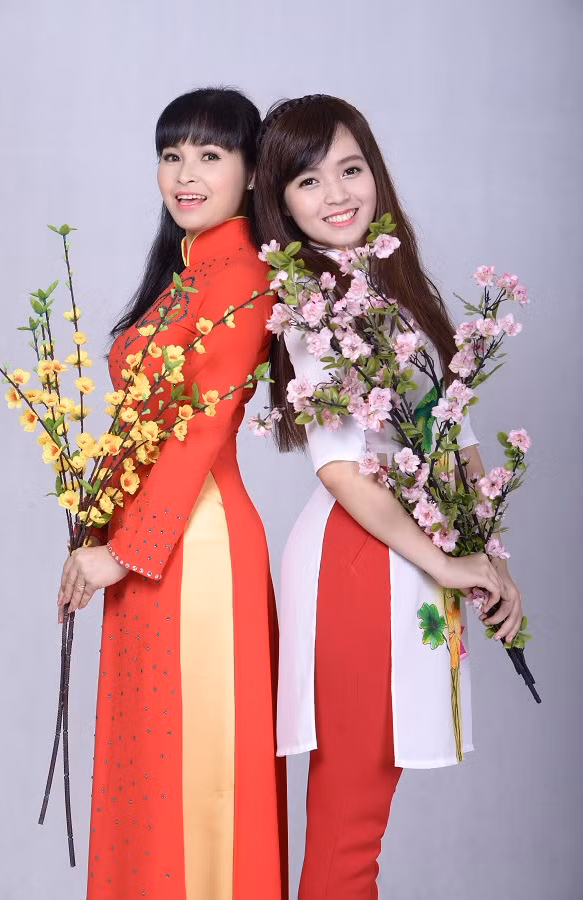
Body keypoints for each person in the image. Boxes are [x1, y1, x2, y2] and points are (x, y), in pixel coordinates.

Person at [251, 94, 522, 899]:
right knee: (349, 831)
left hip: (407, 556)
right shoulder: (313, 306)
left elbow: (454, 434)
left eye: (351, 168)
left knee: (358, 829)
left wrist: (490, 562)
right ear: (282, 203)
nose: (337, 194)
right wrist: (450, 561)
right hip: (360, 560)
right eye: (309, 180)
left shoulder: (391, 289)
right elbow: (341, 470)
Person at [57, 87, 287, 900]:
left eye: (209, 156)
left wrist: (124, 552)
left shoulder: (243, 275)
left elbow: (203, 429)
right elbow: (144, 428)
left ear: (251, 172)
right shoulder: (189, 275)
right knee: (149, 772)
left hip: (197, 549)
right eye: (171, 155)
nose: (185, 174)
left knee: (197, 780)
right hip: (148, 546)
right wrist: (94, 531)